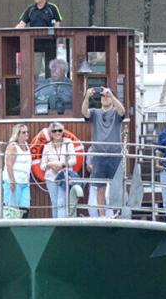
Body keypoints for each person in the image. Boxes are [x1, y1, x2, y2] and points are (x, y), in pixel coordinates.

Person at [81, 87, 126, 218]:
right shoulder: (95, 112)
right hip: (99, 155)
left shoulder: (116, 112)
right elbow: (84, 112)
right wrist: (87, 96)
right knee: (100, 187)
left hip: (115, 155)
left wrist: (112, 95)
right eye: (103, 96)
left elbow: (122, 111)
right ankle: (102, 215)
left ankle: (116, 214)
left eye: (107, 96)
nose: (105, 98)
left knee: (116, 187)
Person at [40, 121, 81, 219]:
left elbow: (73, 160)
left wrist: (61, 165)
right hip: (51, 178)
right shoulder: (47, 146)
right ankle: (56, 223)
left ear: (63, 131)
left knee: (61, 202)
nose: (57, 133)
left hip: (64, 176)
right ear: (51, 133)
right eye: (54, 131)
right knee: (55, 203)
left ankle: (61, 224)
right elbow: (42, 165)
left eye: (59, 130)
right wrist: (51, 165)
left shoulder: (68, 143)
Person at [1, 123, 32, 219]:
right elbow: (9, 164)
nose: (26, 134)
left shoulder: (26, 145)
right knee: (12, 209)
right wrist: (12, 181)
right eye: (23, 132)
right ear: (17, 134)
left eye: (27, 132)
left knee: (25, 208)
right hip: (14, 181)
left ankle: (23, 225)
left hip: (24, 182)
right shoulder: (13, 146)